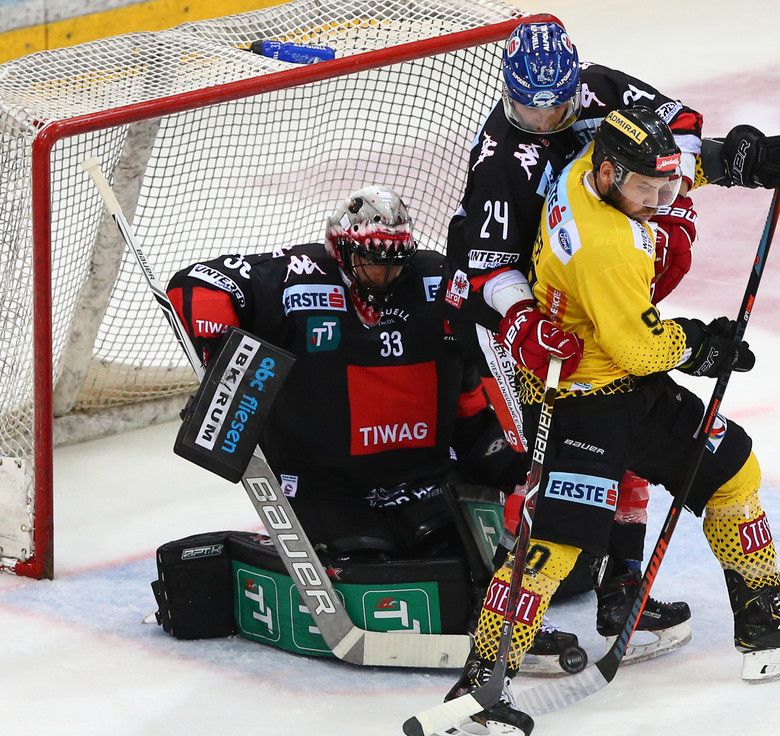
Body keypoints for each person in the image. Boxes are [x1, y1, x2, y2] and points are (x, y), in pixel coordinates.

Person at [441, 107, 780, 736]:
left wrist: (745, 164)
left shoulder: (589, 164)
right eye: (646, 191)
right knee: (554, 545)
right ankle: (479, 687)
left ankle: (761, 616)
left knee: (731, 470)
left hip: (629, 391)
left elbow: (667, 172)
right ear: (608, 174)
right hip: (580, 403)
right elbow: (640, 347)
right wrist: (702, 344)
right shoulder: (607, 246)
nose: (659, 203)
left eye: (664, 187)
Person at [164, 185, 585, 664]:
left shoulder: (435, 277)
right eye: (370, 261)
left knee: (471, 553)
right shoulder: (298, 276)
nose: (384, 274)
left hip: (426, 480)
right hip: (327, 487)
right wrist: (222, 363)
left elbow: (494, 318)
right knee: (366, 566)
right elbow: (195, 283)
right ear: (342, 250)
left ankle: (521, 610)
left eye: (394, 261)